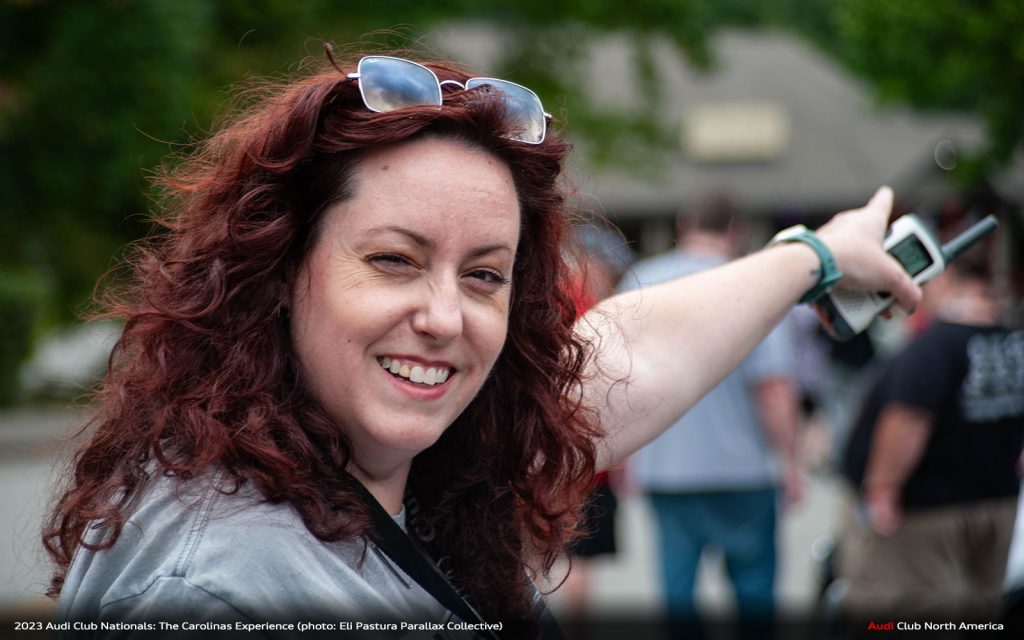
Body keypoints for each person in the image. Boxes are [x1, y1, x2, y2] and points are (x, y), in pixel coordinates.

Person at [42, 45, 920, 638]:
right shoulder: (223, 589)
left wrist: (817, 257)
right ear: (277, 271)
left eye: (484, 275)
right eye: (393, 260)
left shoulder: (418, 460)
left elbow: (633, 355)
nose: (445, 317)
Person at [617, 195, 803, 640]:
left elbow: (618, 380)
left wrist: (623, 456)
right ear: (736, 229)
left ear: (684, 224)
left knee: (678, 594)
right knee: (754, 591)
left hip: (668, 470)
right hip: (744, 471)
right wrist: (792, 461)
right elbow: (772, 388)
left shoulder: (641, 280)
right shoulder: (756, 282)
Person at [838, 250, 1024, 624]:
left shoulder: (935, 346)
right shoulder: (1013, 342)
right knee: (980, 609)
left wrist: (882, 489)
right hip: (997, 502)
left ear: (943, 278)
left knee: (908, 611)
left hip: (925, 510)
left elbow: (908, 420)